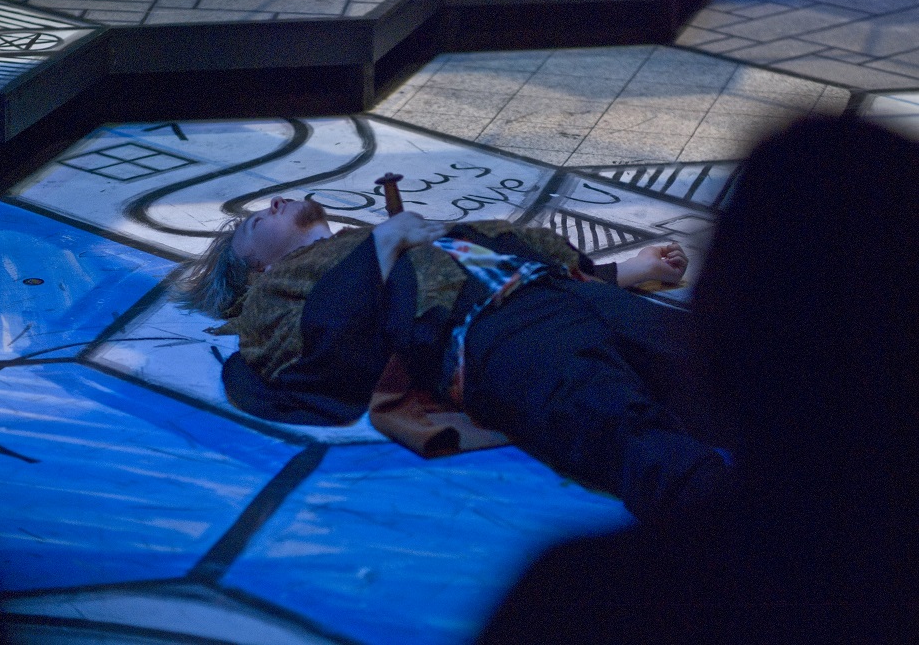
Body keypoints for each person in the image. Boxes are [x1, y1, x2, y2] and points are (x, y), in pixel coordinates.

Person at [477, 114, 919, 643]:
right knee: (606, 410)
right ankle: (694, 483)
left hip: (568, 298)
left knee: (645, 372)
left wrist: (634, 268)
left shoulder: (581, 598)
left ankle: (708, 490)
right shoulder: (391, 263)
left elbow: (571, 269)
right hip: (503, 325)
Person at [174, 194, 732, 525]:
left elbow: (493, 244)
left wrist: (626, 271)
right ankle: (747, 546)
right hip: (493, 331)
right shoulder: (274, 294)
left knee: (726, 373)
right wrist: (383, 244)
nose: (274, 203)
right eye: (259, 221)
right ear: (259, 268)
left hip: (560, 292)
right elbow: (322, 353)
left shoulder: (373, 237)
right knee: (623, 427)